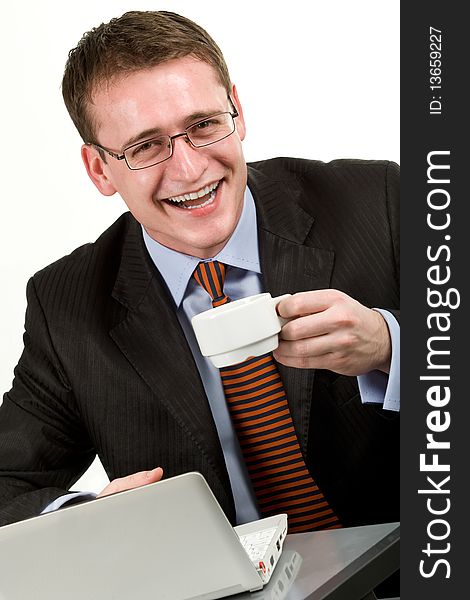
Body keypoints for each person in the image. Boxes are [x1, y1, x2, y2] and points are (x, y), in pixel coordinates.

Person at [0, 11, 399, 532]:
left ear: (237, 110)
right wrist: (85, 520)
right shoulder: (66, 305)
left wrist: (392, 348)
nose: (189, 169)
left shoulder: (381, 205)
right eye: (145, 147)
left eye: (204, 126)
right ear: (100, 169)